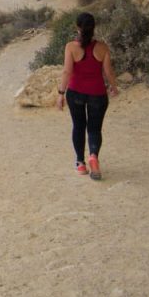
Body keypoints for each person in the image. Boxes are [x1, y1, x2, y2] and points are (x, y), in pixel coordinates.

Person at [56, 12, 119, 180]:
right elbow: (109, 72)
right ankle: (93, 156)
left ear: (77, 28)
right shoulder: (102, 47)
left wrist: (61, 93)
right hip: (97, 94)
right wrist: (114, 87)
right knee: (94, 129)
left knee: (78, 126)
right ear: (94, 27)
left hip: (76, 93)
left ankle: (80, 163)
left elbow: (67, 71)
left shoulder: (70, 47)